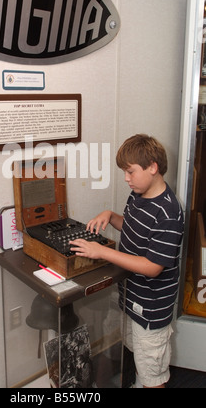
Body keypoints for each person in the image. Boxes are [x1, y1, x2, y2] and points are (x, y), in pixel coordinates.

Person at [70, 134, 184, 388]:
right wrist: (111, 216)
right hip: (130, 298)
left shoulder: (169, 213)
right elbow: (134, 229)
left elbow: (152, 267)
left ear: (153, 167)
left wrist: (102, 252)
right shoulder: (138, 195)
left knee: (152, 371)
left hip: (151, 309)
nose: (126, 178)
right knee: (137, 355)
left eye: (130, 172)